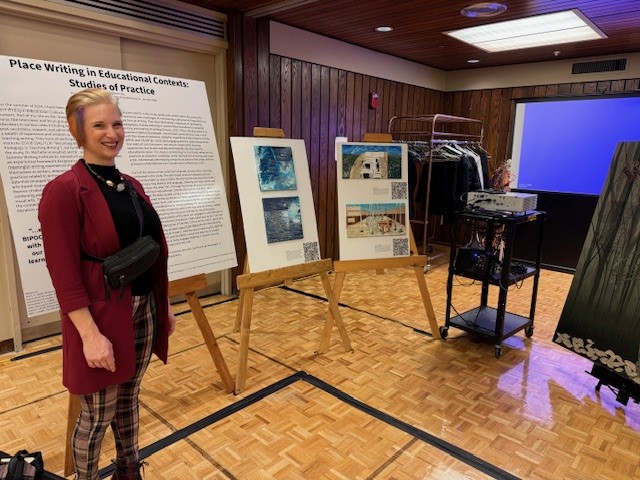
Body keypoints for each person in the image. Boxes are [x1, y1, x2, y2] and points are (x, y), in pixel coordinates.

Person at [38, 88, 176, 480]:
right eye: (99, 125)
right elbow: (64, 276)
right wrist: (89, 335)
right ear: (76, 130)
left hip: (142, 306)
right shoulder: (64, 191)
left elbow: (150, 248)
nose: (111, 132)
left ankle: (129, 470)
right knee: (97, 412)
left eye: (116, 123)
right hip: (99, 317)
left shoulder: (129, 183)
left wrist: (162, 304)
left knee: (130, 397)